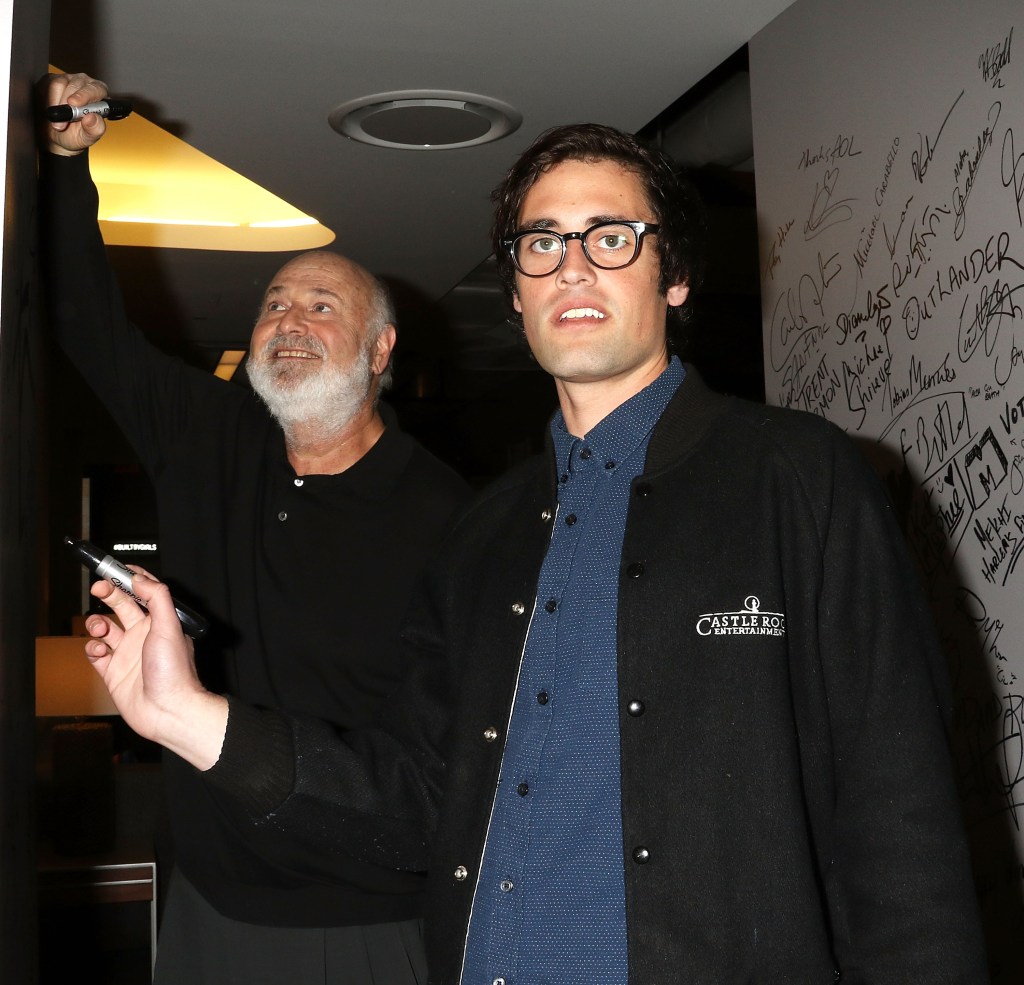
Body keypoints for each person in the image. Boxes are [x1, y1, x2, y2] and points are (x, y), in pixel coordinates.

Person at [81, 122, 989, 984]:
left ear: (673, 273)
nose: (573, 264)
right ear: (515, 293)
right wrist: (186, 714)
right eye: (542, 242)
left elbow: (900, 817)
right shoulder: (486, 530)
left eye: (612, 237)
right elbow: (418, 799)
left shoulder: (798, 474)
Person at [41, 72, 470, 985]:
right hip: (206, 900)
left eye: (322, 305)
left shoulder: (451, 518)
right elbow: (86, 321)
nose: (290, 320)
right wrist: (63, 167)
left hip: (366, 916)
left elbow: (443, 765)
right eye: (275, 301)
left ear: (381, 348)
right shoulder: (210, 436)